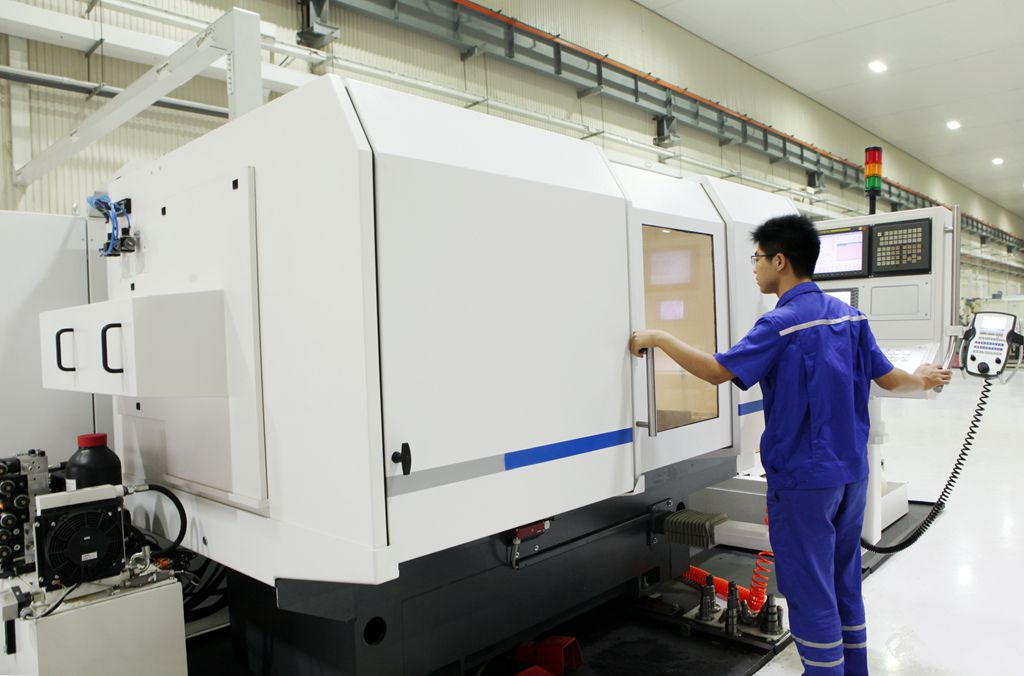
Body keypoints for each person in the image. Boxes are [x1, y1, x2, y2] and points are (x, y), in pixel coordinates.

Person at [630, 214, 950, 675]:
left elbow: (717, 371)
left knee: (809, 588)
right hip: (852, 475)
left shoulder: (779, 324)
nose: (755, 268)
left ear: (780, 261)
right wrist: (923, 379)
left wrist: (659, 337)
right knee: (842, 579)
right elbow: (890, 378)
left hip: (804, 482)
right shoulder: (851, 316)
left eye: (757, 258)